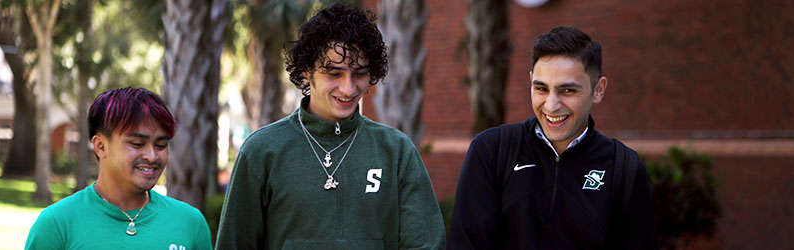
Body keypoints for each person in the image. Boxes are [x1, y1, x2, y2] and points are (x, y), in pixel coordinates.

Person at [214, 3, 445, 250]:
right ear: (306, 72)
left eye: (359, 73)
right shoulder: (262, 150)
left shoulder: (395, 150)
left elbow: (427, 244)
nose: (348, 88)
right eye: (334, 74)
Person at [446, 26, 658, 249]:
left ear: (598, 90)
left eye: (568, 91)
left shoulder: (624, 169)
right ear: (531, 82)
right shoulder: (492, 151)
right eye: (541, 88)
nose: (551, 105)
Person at [25, 87, 212, 250]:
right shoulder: (57, 224)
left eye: (161, 145)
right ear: (100, 146)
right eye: (138, 144)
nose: (152, 156)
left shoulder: (190, 223)